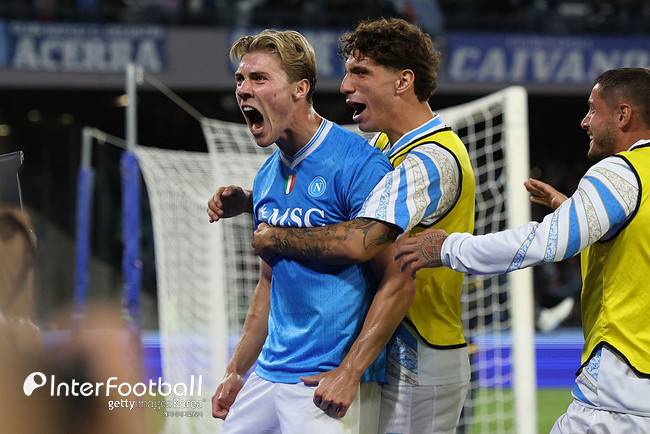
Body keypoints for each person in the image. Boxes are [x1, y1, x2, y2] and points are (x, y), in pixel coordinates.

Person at [209, 18, 476, 434]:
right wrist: (253, 202)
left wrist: (275, 234)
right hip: (372, 348)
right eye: (240, 79)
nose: (346, 86)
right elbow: (314, 222)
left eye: (361, 73)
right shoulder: (384, 146)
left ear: (403, 81)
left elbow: (361, 241)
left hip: (421, 349)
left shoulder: (429, 160)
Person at [394, 67, 650, 432]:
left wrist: (448, 246)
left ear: (623, 115)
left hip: (619, 398)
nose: (584, 121)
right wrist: (575, 210)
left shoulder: (621, 172)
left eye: (594, 109)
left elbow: (546, 242)